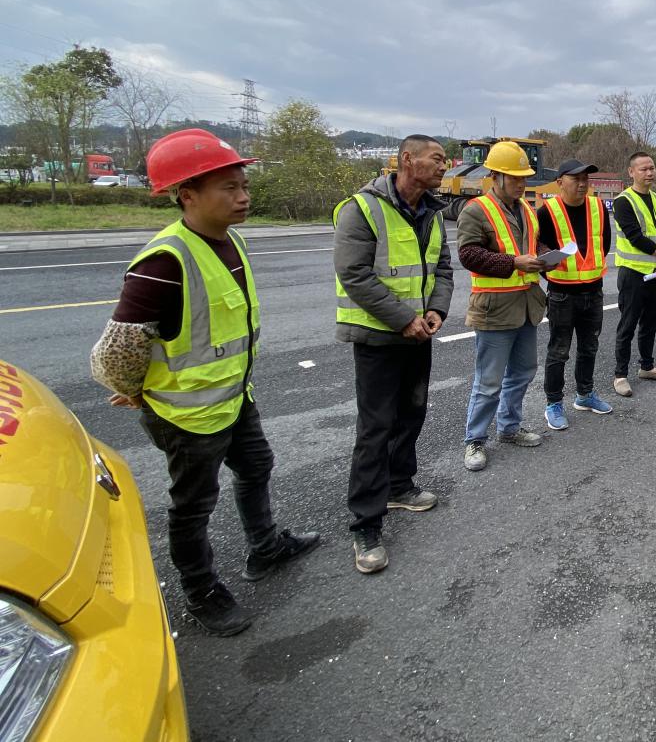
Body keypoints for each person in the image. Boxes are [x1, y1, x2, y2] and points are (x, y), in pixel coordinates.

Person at [89, 129, 319, 636]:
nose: (243, 197)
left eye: (244, 186)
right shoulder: (163, 262)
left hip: (233, 398)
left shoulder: (229, 241)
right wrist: (134, 388)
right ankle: (201, 593)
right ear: (187, 194)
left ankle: (264, 548)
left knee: (256, 466)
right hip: (186, 416)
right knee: (193, 507)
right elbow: (115, 353)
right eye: (229, 188)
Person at [334, 134, 454, 575]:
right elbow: (354, 274)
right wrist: (404, 318)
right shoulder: (362, 208)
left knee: (412, 413)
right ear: (407, 159)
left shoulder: (432, 212)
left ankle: (399, 485)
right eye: (436, 158)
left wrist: (437, 309)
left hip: (418, 334)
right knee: (375, 428)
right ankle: (366, 523)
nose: (444, 165)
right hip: (378, 339)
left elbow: (442, 268)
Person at [458, 140, 549, 470]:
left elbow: (531, 246)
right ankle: (475, 440)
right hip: (494, 309)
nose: (521, 184)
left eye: (524, 178)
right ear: (495, 177)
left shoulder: (526, 209)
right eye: (514, 178)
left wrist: (546, 258)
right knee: (489, 381)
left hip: (527, 305)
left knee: (523, 372)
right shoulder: (475, 210)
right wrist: (513, 263)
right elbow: (468, 255)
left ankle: (509, 428)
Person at [537, 159, 614, 431]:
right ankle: (553, 403)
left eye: (585, 179)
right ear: (560, 182)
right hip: (562, 294)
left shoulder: (598, 207)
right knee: (559, 351)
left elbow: (604, 244)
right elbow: (538, 248)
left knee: (589, 347)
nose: (582, 184)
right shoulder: (547, 211)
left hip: (593, 290)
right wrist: (550, 267)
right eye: (576, 179)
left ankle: (585, 394)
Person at [610, 151, 656, 397]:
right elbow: (635, 237)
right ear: (631, 172)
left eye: (652, 168)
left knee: (652, 321)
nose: (649, 173)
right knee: (627, 325)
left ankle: (647, 367)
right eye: (643, 169)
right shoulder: (623, 201)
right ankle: (620, 375)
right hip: (633, 273)